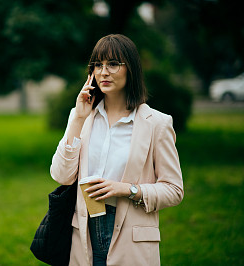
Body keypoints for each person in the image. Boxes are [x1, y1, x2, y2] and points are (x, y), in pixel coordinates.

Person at [50, 34, 184, 266]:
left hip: (130, 240)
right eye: (98, 65)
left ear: (130, 68)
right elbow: (61, 176)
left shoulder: (157, 124)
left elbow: (174, 190)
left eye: (113, 64)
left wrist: (127, 189)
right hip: (84, 234)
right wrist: (78, 118)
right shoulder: (82, 117)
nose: (104, 72)